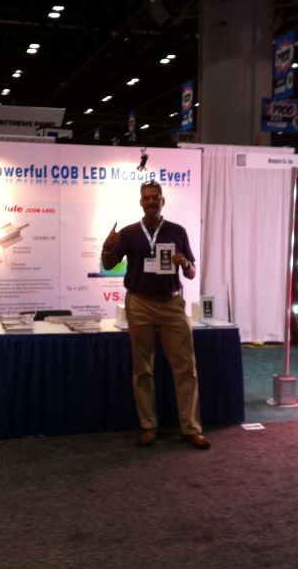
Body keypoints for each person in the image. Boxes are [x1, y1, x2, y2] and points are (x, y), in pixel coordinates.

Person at [100, 179, 210, 450]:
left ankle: (191, 428)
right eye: (147, 198)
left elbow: (191, 272)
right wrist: (107, 247)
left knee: (186, 367)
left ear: (162, 201)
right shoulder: (128, 233)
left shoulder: (177, 231)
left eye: (155, 198)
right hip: (140, 304)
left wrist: (185, 263)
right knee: (143, 368)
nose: (151, 202)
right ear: (141, 202)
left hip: (172, 305)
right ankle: (149, 426)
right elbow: (109, 265)